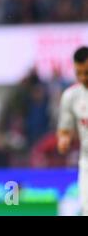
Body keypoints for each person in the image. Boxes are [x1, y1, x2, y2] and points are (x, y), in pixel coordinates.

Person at [57, 46, 88, 216]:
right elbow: (64, 129)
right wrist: (64, 139)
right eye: (79, 73)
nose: (83, 77)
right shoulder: (70, 96)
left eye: (87, 72)